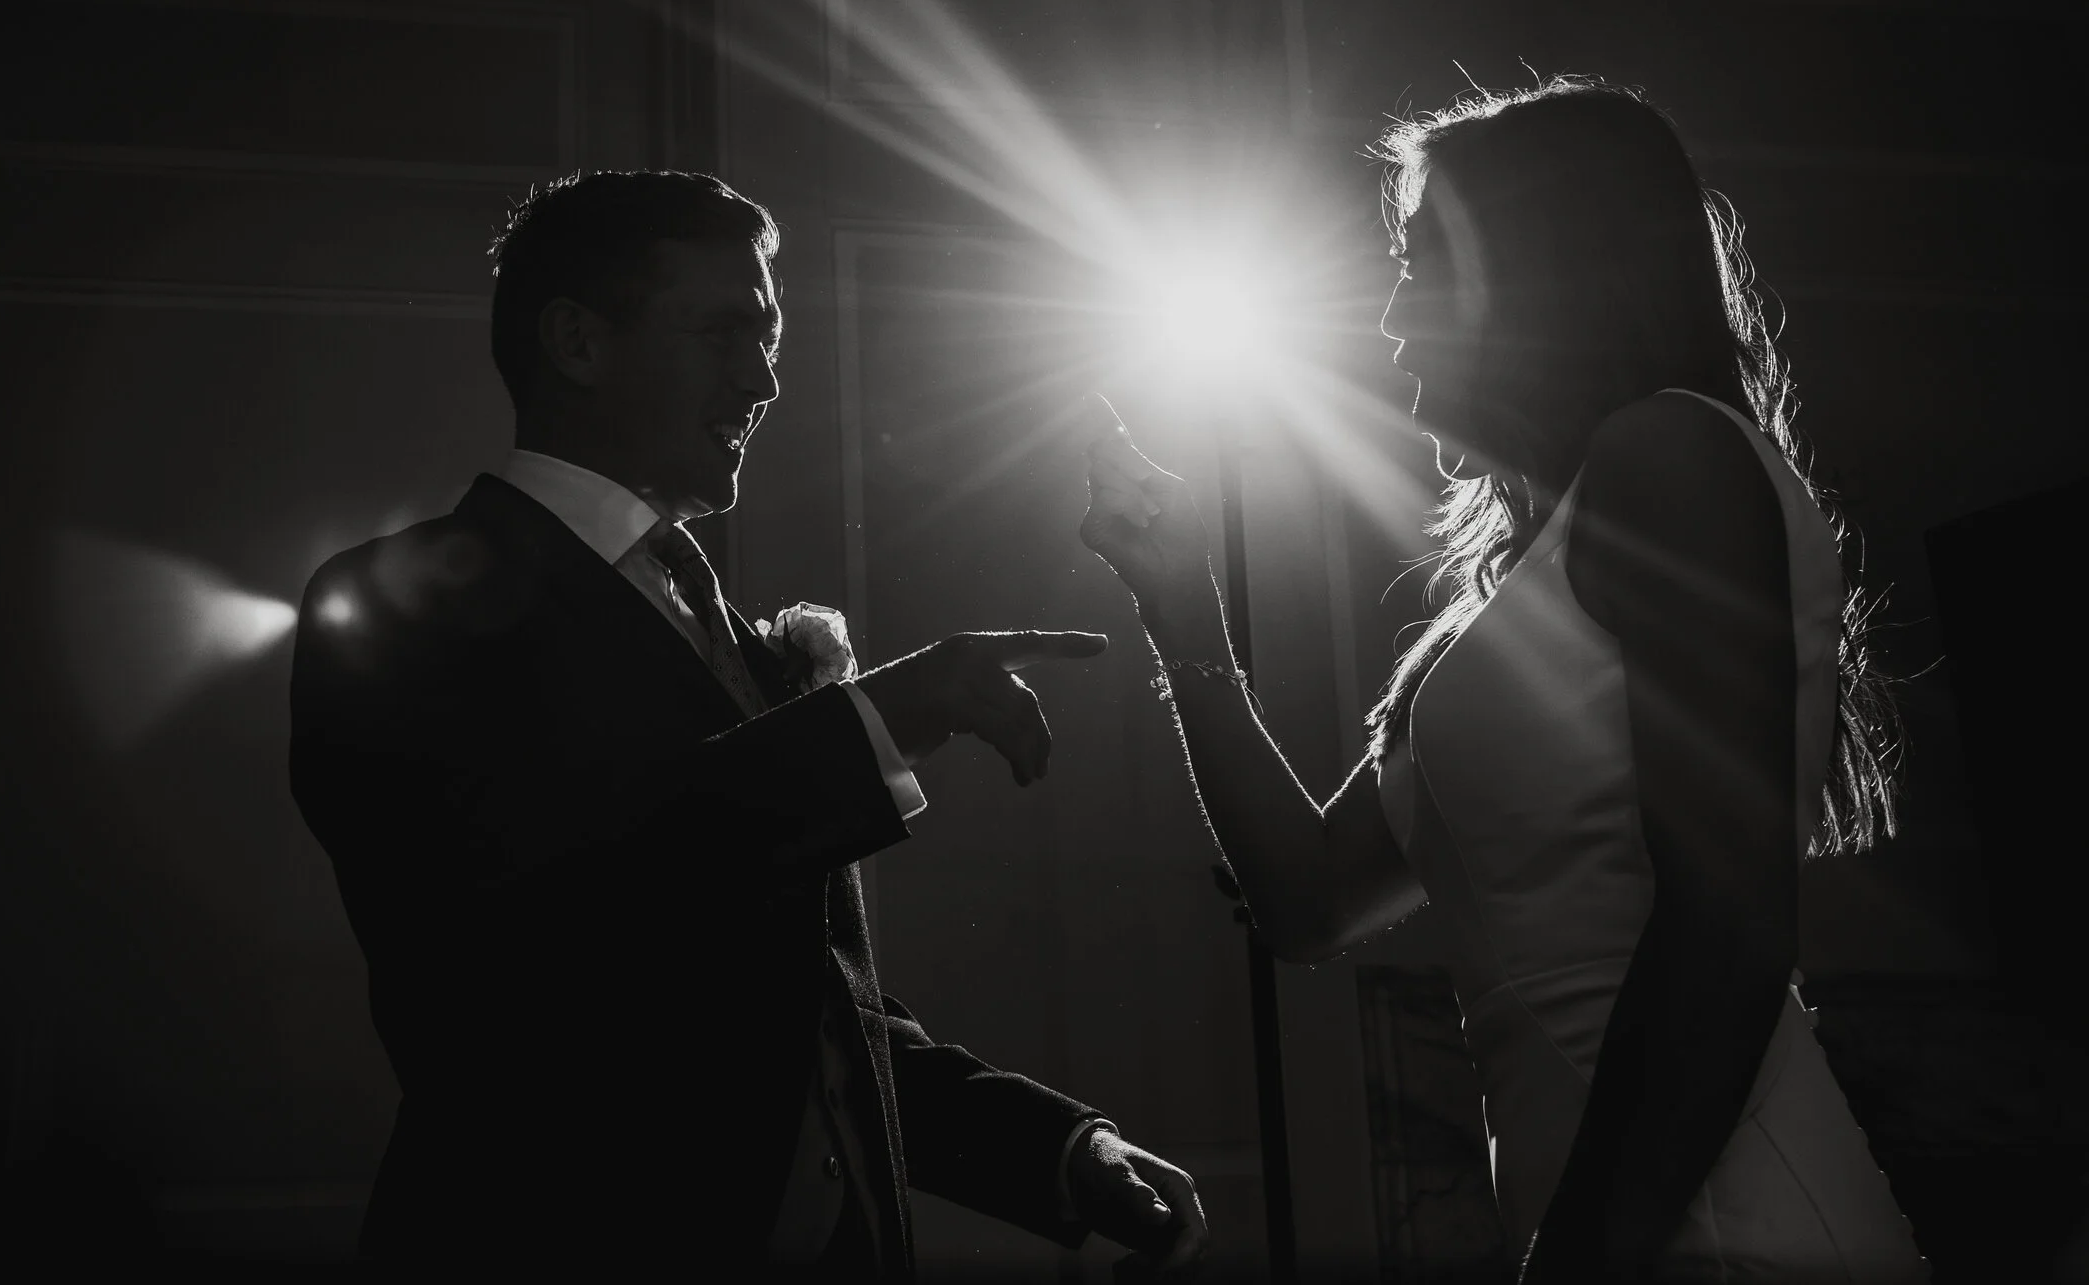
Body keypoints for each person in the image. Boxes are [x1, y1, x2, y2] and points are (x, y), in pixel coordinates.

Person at [1078, 80, 1926, 1281]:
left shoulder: (1670, 456)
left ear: (1541, 276)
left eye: (1419, 265)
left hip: (1728, 1226)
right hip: (1614, 1220)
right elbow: (1309, 897)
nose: (1389, 322)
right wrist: (1176, 603)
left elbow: (1726, 921)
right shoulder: (1518, 586)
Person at [291, 170, 1208, 1277]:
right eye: (726, 330)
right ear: (578, 341)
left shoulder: (725, 628)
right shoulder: (394, 605)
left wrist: (1060, 1150)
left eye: (770, 335)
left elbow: (803, 1013)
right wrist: (877, 718)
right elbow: (545, 922)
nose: (765, 376)